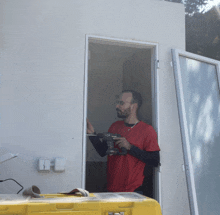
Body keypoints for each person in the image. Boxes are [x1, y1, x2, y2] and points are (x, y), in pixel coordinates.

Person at [87, 90, 160, 194]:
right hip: (111, 189)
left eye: (121, 103)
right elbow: (103, 151)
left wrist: (130, 147)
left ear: (133, 106)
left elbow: (155, 160)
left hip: (134, 191)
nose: (117, 106)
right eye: (117, 103)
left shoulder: (147, 130)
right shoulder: (115, 126)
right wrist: (92, 134)